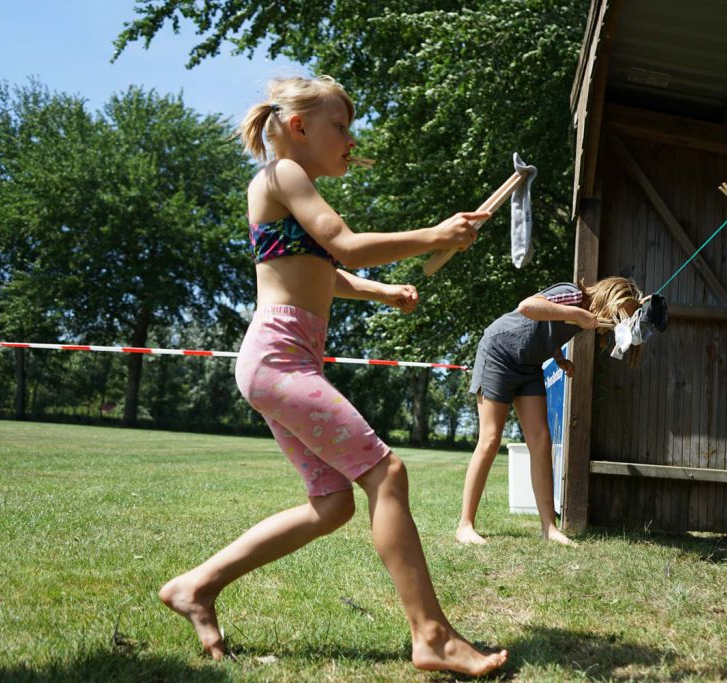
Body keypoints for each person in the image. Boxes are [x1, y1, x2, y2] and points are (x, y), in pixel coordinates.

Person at [157, 76, 507, 677]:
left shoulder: (290, 188)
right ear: (299, 127)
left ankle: (196, 586)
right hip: (279, 359)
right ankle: (432, 636)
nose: (350, 141)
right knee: (387, 473)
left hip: (279, 361)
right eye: (340, 127)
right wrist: (434, 235)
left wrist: (382, 291)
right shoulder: (283, 174)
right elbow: (344, 245)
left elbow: (324, 270)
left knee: (332, 504)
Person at [456, 277, 642, 546]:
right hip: (499, 353)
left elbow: (545, 329)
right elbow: (528, 307)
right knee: (490, 439)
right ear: (609, 297)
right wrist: (578, 315)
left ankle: (549, 527)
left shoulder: (582, 319)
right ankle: (465, 525)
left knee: (541, 441)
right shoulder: (572, 295)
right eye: (618, 314)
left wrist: (559, 358)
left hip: (529, 365)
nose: (615, 322)